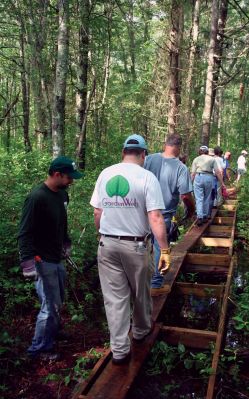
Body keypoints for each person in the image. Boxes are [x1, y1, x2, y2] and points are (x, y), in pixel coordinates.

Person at [90, 134, 170, 365]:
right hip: (136, 246)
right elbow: (155, 216)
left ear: (123, 152)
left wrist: (102, 234)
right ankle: (141, 331)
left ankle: (119, 350)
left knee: (114, 299)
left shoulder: (105, 174)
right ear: (143, 154)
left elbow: (97, 212)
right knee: (140, 292)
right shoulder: (147, 177)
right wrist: (164, 249)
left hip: (107, 244)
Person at [18, 156, 84, 360]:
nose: (71, 181)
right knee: (49, 305)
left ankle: (52, 332)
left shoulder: (62, 195)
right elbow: (24, 232)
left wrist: (65, 243)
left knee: (58, 299)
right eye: (68, 177)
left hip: (56, 258)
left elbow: (61, 223)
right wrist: (28, 263)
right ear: (57, 174)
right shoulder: (37, 197)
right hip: (42, 260)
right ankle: (39, 349)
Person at [144, 134, 195, 296]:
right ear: (179, 147)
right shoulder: (180, 167)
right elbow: (186, 195)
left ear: (165, 144)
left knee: (141, 246)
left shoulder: (148, 159)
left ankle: (139, 283)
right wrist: (191, 210)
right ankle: (155, 284)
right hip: (162, 215)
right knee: (160, 247)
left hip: (142, 213)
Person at [191, 145, 224, 226]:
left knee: (199, 198)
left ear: (200, 151)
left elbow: (193, 173)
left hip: (198, 177)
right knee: (207, 197)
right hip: (209, 177)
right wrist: (222, 182)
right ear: (207, 152)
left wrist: (190, 183)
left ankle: (200, 216)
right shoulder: (212, 159)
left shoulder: (196, 159)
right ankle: (205, 215)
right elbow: (217, 172)